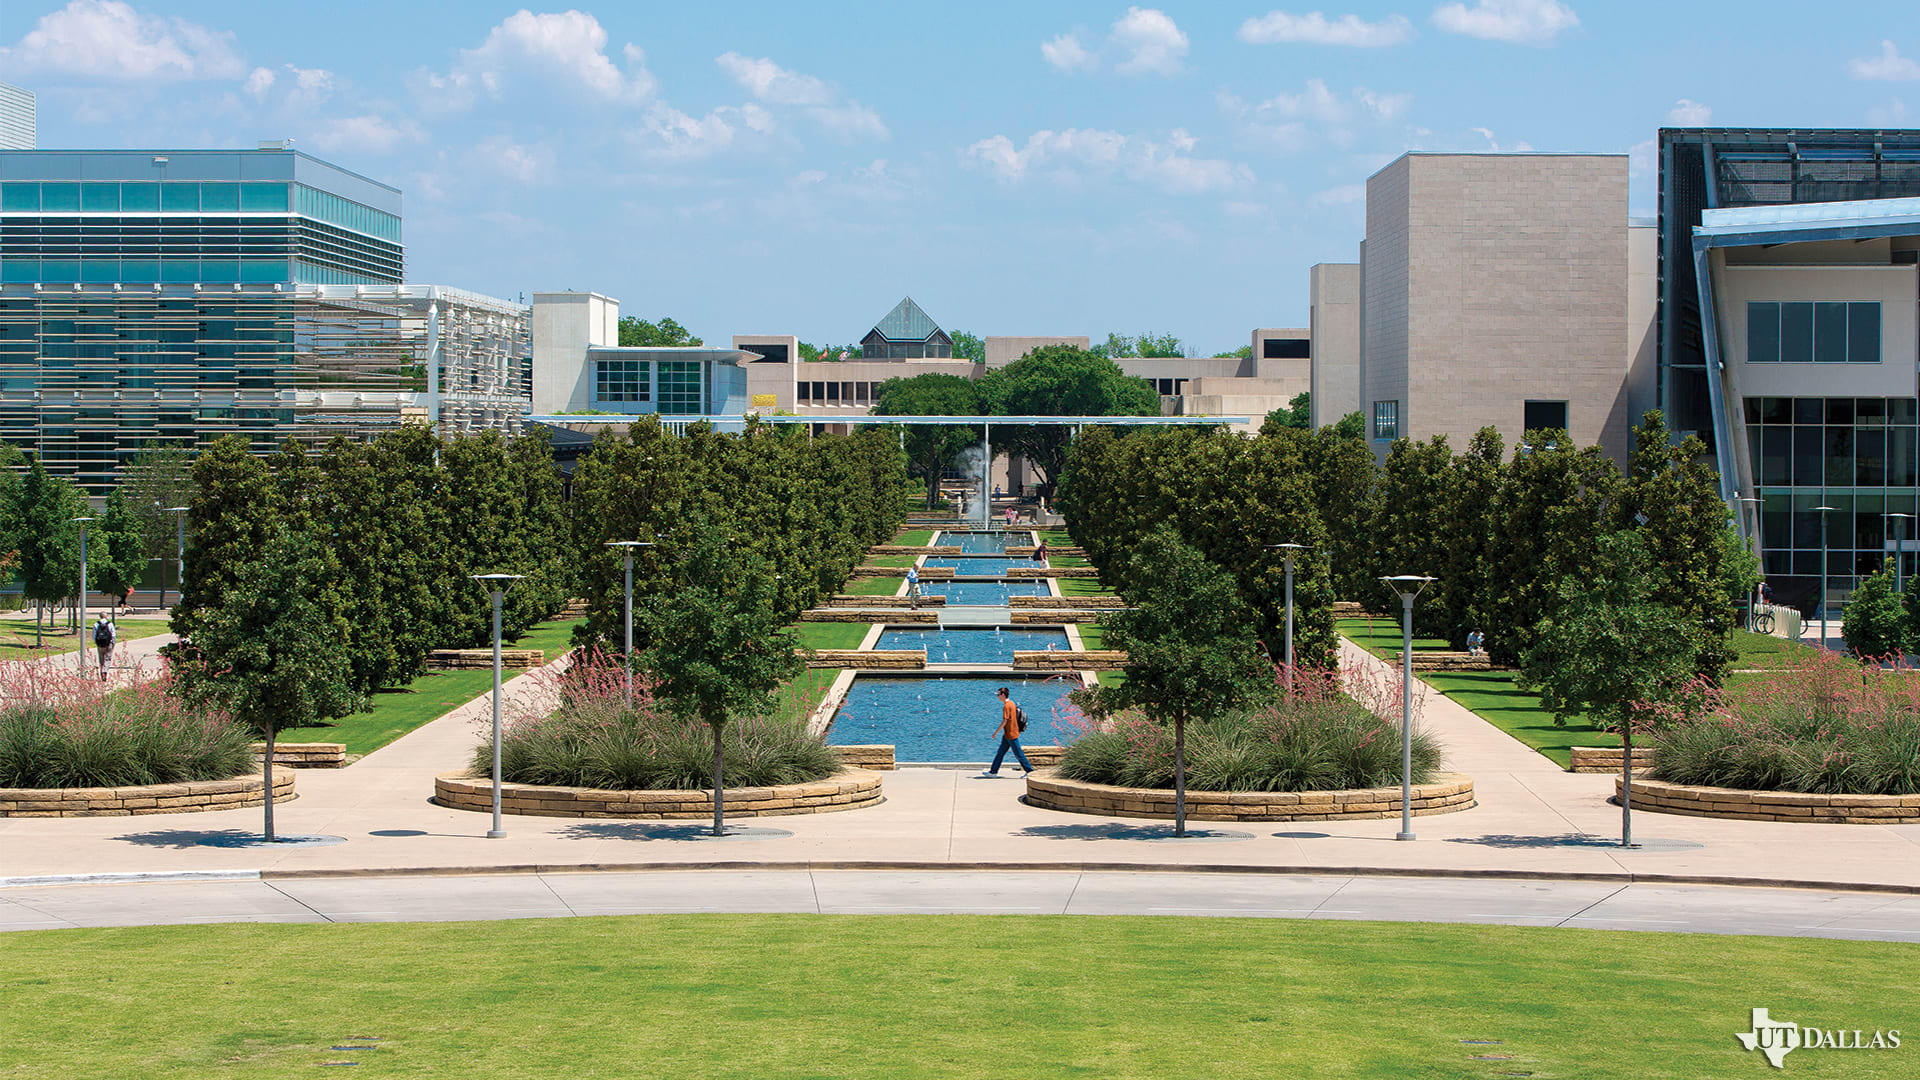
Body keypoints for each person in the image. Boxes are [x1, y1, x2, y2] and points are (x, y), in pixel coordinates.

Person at [982, 687, 1034, 777]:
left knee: (1019, 754)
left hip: (1011, 734)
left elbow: (1004, 721)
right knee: (1000, 753)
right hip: (1008, 734)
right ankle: (993, 772)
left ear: (1003, 695)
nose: (997, 696)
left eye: (998, 695)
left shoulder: (1007, 706)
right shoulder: (1012, 703)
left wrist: (995, 733)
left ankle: (1030, 772)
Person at [92, 614, 116, 683]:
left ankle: (102, 671)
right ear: (106, 616)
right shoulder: (110, 624)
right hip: (108, 644)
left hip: (100, 644)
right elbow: (113, 634)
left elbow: (94, 635)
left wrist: (96, 642)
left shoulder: (96, 624)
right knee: (108, 658)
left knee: (101, 659)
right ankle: (105, 671)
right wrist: (113, 643)